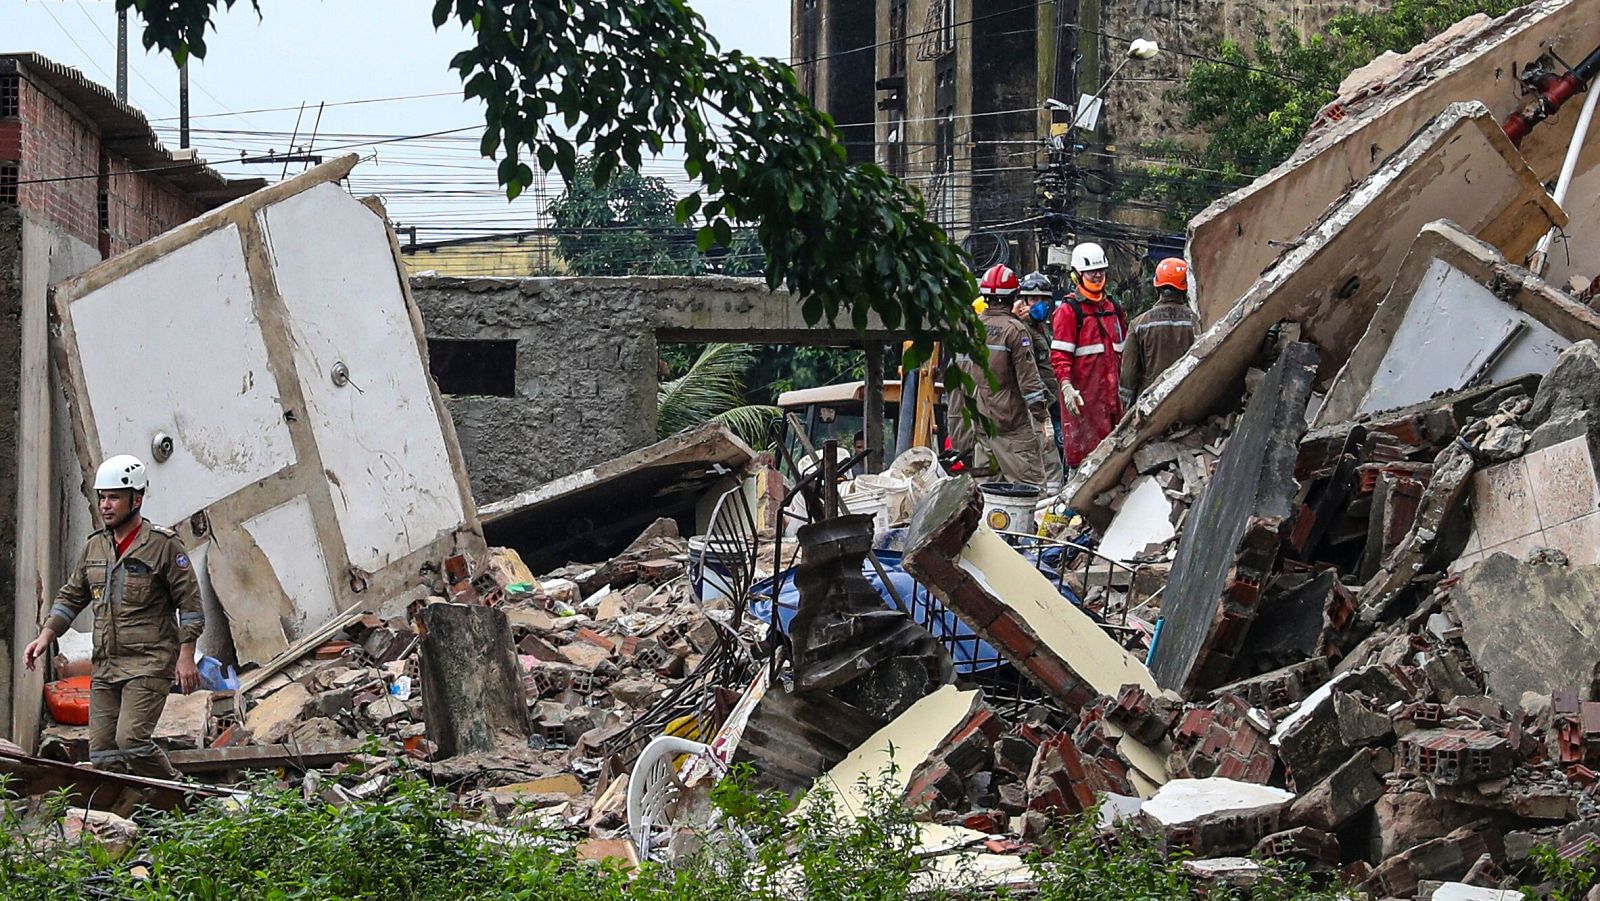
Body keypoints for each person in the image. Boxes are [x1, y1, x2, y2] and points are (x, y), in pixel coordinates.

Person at [24, 455, 204, 778]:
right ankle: (140, 812)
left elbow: (190, 604)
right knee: (104, 754)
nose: (105, 505)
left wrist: (186, 655)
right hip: (106, 665)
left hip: (149, 662)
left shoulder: (163, 546)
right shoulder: (95, 547)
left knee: (132, 740)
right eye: (102, 497)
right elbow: (71, 595)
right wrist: (45, 635)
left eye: (114, 497)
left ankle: (183, 800)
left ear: (136, 500)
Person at [1050, 242, 1128, 470]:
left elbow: (1123, 353)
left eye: (1101, 271)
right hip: (1084, 404)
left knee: (1115, 463)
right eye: (1091, 272)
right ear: (1077, 275)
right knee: (1084, 466)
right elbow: (1060, 356)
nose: (1097, 276)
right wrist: (1066, 387)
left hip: (1114, 403)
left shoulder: (1114, 307)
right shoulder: (1069, 311)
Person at [970, 264, 1050, 486]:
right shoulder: (1016, 331)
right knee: (1031, 488)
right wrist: (1042, 418)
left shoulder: (976, 327)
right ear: (1014, 296)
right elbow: (1030, 383)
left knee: (987, 492)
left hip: (982, 420)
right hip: (1011, 422)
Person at [1121, 257, 1200, 406]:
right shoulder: (1198, 322)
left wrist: (1126, 405)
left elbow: (1128, 373)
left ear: (1157, 285)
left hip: (1150, 405)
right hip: (1189, 402)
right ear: (1186, 286)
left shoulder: (1138, 325)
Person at [1012, 271, 1066, 491]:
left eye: (1044, 299)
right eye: (1033, 299)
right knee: (1049, 464)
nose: (1039, 304)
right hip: (1036, 409)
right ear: (1022, 301)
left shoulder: (1041, 329)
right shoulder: (1020, 331)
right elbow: (1028, 374)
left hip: (1052, 404)